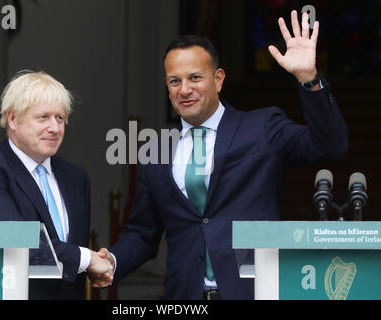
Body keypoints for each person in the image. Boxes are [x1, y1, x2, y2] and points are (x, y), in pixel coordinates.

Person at [95, 11, 348, 299]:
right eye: (174, 81)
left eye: (195, 78)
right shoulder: (155, 151)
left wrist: (308, 78)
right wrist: (111, 261)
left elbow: (330, 146)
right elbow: (142, 232)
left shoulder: (262, 127)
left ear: (218, 79)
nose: (185, 89)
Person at [0, 70, 113, 299]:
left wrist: (92, 264)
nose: (55, 128)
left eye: (60, 118)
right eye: (43, 117)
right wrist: (87, 259)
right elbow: (15, 239)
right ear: (12, 119)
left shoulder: (76, 177)